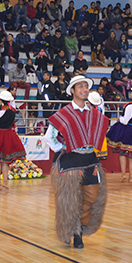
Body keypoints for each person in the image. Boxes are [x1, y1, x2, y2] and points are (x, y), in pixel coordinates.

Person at [43, 75, 109, 249]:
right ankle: (75, 232)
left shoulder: (94, 113)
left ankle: (80, 224)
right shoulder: (63, 114)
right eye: (80, 86)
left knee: (92, 198)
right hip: (70, 161)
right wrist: (63, 148)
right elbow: (49, 137)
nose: (84, 89)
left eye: (86, 86)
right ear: (72, 90)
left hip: (89, 160)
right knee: (69, 201)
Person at [105, 85, 132, 183]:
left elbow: (125, 121)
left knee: (123, 152)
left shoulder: (130, 106)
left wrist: (119, 118)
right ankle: (131, 176)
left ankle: (124, 174)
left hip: (128, 129)